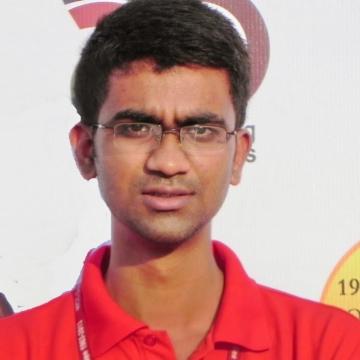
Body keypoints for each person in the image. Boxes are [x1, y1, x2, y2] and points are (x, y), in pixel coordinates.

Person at [0, 0, 359, 359]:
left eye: (200, 130)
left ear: (238, 154)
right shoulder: (14, 347)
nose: (168, 162)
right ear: (86, 151)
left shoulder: (332, 345)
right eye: (136, 128)